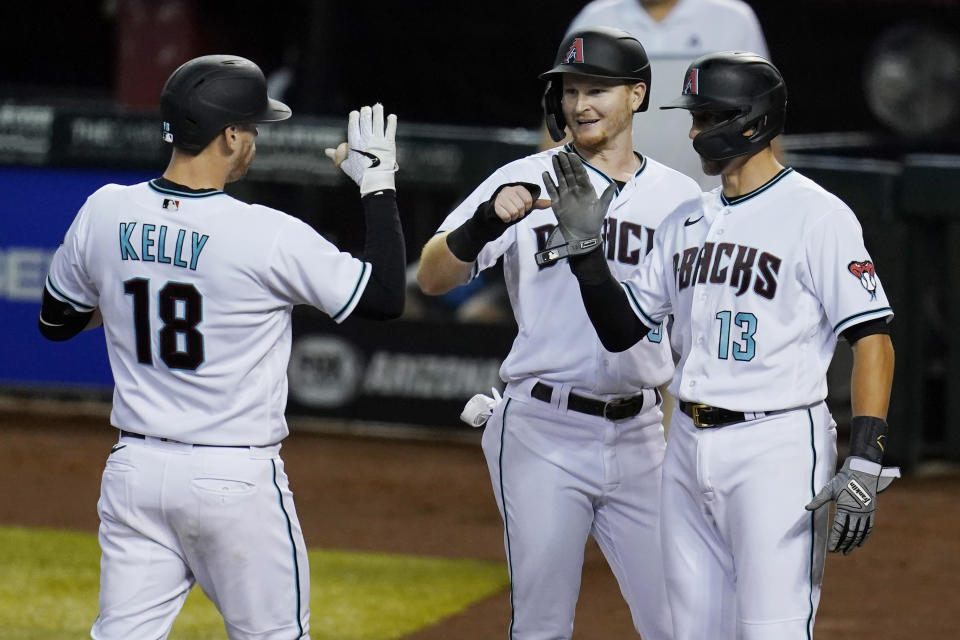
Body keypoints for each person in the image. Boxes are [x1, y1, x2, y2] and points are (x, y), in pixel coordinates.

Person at [37, 54, 405, 640]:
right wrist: (378, 186)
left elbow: (57, 321)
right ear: (229, 134)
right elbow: (385, 297)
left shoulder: (104, 208)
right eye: (253, 128)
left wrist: (139, 286)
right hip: (233, 477)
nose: (255, 140)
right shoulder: (266, 233)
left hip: (135, 470)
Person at [548, 52, 900, 639]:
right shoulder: (685, 219)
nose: (692, 132)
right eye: (694, 116)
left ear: (752, 121)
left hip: (777, 447)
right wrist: (587, 256)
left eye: (706, 117)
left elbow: (872, 337)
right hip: (684, 446)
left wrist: (866, 455)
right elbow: (623, 331)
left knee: (772, 631)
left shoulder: (818, 215)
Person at [417, 27, 701, 639]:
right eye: (570, 90)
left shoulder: (682, 200)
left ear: (638, 95)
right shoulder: (524, 177)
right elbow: (432, 276)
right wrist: (482, 223)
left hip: (643, 435)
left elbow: (686, 340)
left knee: (680, 619)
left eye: (598, 88)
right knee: (542, 625)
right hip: (543, 429)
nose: (580, 105)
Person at [561, 0, 770, 188]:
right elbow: (565, 117)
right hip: (613, 202)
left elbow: (761, 120)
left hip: (710, 201)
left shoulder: (733, 20)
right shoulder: (595, 17)